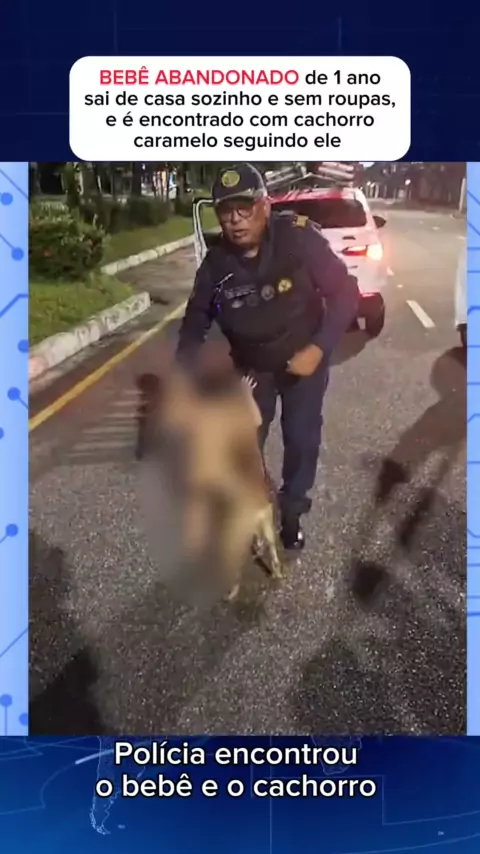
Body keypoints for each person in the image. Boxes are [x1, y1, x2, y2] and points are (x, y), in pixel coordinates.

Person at [176, 163, 359, 550]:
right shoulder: (215, 266)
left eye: (243, 208)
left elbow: (346, 293)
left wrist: (319, 348)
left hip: (303, 360)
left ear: (264, 205)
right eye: (226, 211)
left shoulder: (299, 239)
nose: (235, 220)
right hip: (253, 365)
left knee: (302, 440)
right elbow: (193, 325)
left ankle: (292, 514)